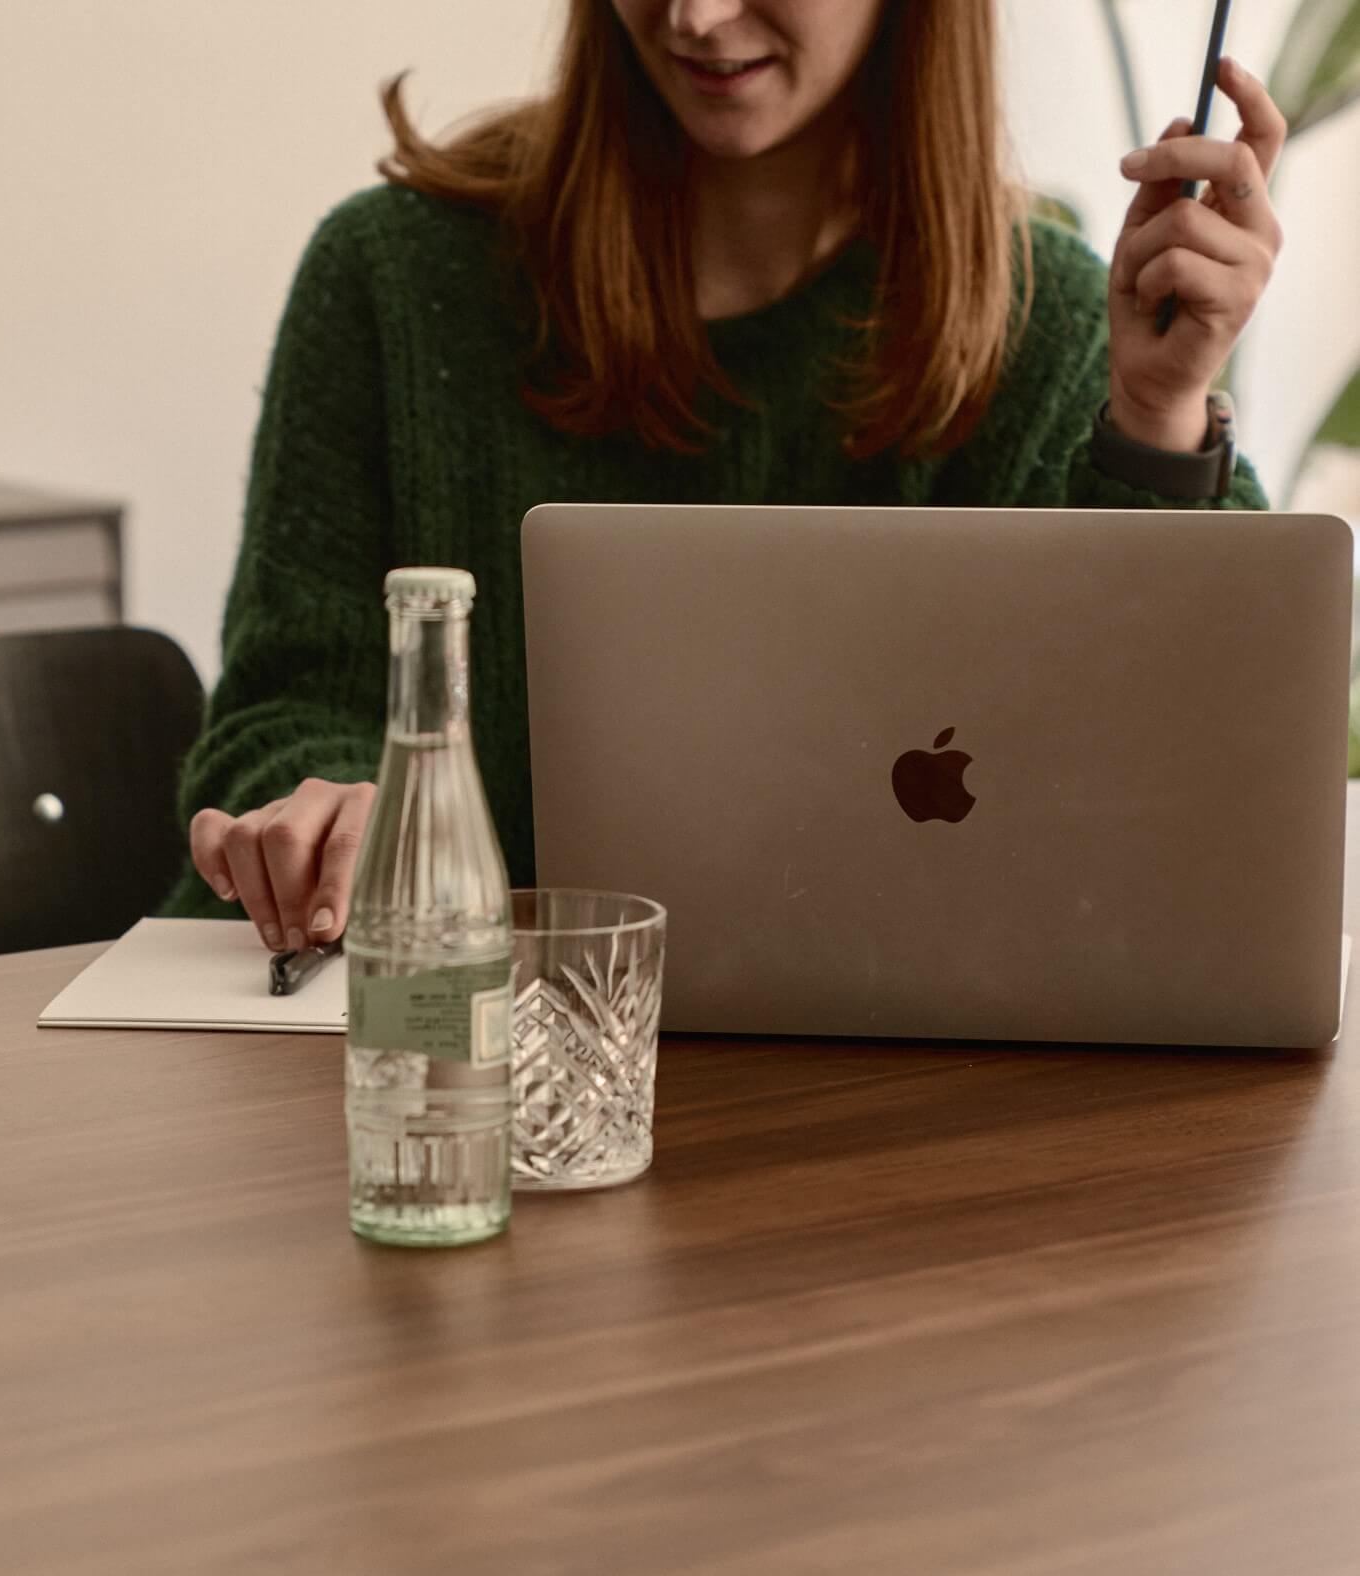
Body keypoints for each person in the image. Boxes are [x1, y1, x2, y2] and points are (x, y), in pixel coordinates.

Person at [164, 0, 1285, 950]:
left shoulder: (1039, 319)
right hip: (439, 1067)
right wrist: (327, 815)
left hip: (882, 1098)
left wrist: (1155, 417)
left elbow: (1170, 787)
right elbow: (284, 707)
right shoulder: (394, 274)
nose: (692, 17)